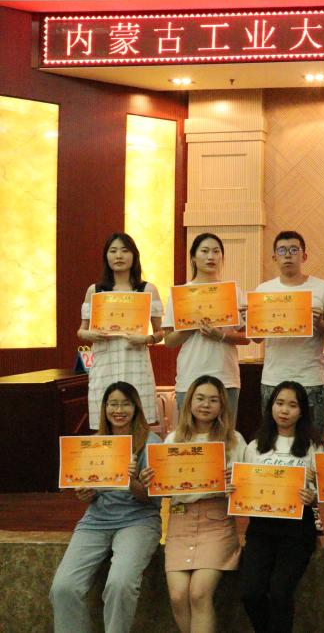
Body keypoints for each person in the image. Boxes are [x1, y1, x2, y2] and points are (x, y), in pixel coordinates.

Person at [49, 382, 162, 633]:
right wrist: (85, 493)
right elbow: (89, 493)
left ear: (136, 407)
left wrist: (130, 481)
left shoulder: (151, 442)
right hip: (96, 520)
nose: (118, 410)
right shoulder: (94, 443)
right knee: (64, 587)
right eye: (113, 404)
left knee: (120, 584)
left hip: (138, 520)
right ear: (104, 408)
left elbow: (152, 500)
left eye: (125, 404)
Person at [144, 375, 247, 633]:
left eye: (213, 400)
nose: (206, 405)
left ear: (222, 406)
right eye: (200, 398)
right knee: (178, 596)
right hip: (180, 520)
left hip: (217, 522)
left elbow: (247, 488)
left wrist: (235, 484)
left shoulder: (234, 440)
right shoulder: (172, 440)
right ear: (189, 402)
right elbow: (163, 490)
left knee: (199, 593)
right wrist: (153, 480)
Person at [239, 381, 320, 633]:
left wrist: (313, 497)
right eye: (279, 403)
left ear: (302, 411)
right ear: (270, 406)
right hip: (261, 528)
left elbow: (323, 492)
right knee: (251, 592)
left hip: (297, 529)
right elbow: (244, 485)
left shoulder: (313, 447)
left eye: (292, 405)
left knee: (280, 592)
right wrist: (236, 490)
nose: (284, 410)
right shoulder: (254, 447)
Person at [251, 231, 324, 438]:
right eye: (282, 250)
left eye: (293, 250)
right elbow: (256, 338)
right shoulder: (263, 290)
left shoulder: (323, 288)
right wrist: (251, 322)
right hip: (273, 378)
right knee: (272, 441)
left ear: (304, 256)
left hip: (310, 378)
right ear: (274, 257)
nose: (288, 255)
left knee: (312, 441)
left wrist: (318, 323)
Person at [77, 233, 164, 430]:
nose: (119, 256)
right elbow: (81, 331)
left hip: (136, 364)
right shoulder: (95, 290)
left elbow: (161, 333)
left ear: (134, 256)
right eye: (113, 251)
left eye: (125, 251)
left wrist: (146, 339)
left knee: (139, 425)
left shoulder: (147, 289)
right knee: (105, 425)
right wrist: (90, 335)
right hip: (104, 365)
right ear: (106, 256)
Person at [162, 233, 249, 418]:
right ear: (193, 257)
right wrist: (192, 325)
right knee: (191, 433)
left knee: (225, 433)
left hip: (226, 377)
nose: (211, 257)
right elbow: (169, 341)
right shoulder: (182, 294)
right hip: (190, 376)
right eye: (205, 251)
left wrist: (221, 336)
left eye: (216, 252)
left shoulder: (233, 292)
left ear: (222, 257)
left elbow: (247, 337)